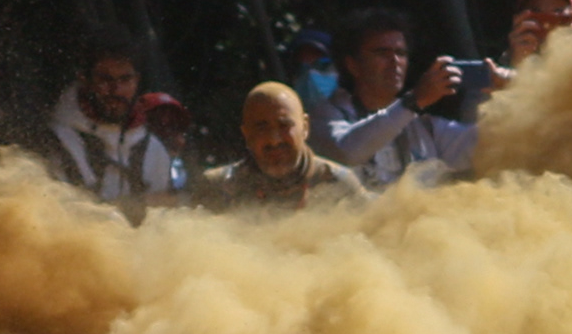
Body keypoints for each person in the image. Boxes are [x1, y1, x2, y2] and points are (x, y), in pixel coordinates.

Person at [309, 9, 476, 187]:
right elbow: (346, 154)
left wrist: (504, 92)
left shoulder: (424, 126)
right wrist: (413, 102)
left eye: (401, 53)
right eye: (382, 53)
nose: (395, 61)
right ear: (353, 65)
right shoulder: (325, 115)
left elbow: (489, 146)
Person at [41, 39, 178, 212]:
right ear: (85, 80)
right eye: (105, 79)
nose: (116, 90)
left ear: (137, 80)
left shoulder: (154, 149)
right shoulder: (55, 141)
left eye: (125, 79)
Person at [197, 81, 363, 210]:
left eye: (284, 126)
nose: (274, 140)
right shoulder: (219, 187)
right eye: (261, 128)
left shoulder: (338, 184)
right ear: (247, 135)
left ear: (305, 127)